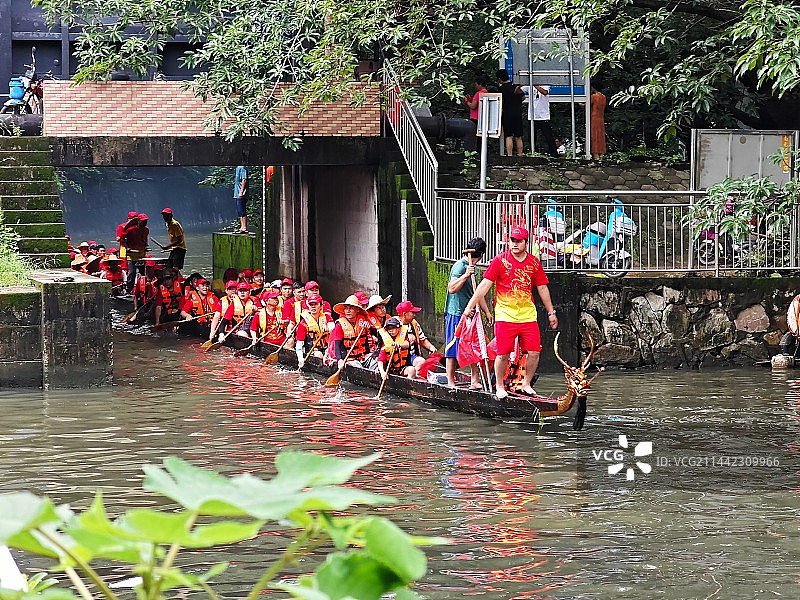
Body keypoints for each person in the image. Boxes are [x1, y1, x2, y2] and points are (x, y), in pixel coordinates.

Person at [463, 226, 558, 399]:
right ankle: (499, 386)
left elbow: (542, 288)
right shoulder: (500, 260)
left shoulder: (534, 263)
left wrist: (551, 312)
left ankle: (526, 384)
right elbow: (485, 285)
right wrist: (470, 306)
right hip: (505, 315)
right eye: (512, 240)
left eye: (518, 241)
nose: (514, 244)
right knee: (503, 354)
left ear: (526, 243)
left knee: (534, 352)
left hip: (528, 315)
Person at [444, 237, 493, 388]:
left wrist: (487, 312)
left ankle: (474, 381)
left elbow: (477, 293)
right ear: (482, 254)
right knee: (453, 348)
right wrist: (465, 275)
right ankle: (450, 382)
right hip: (456, 313)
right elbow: (451, 289)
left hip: (471, 313)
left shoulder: (475, 269)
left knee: (475, 346)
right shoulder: (460, 266)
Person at [329, 294, 371, 369]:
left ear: (357, 310)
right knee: (358, 367)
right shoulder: (339, 325)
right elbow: (337, 345)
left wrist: (369, 327)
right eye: (346, 308)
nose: (348, 311)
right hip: (350, 359)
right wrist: (340, 360)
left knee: (375, 362)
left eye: (351, 308)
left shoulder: (363, 320)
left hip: (364, 356)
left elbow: (375, 334)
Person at [395, 300, 437, 372]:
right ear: (404, 314)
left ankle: (416, 376)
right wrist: (407, 337)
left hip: (412, 357)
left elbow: (422, 339)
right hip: (398, 359)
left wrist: (431, 348)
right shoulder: (392, 324)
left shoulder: (414, 324)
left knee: (421, 362)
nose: (414, 315)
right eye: (412, 313)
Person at [294, 294, 331, 368]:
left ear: (321, 306)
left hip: (326, 348)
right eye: (311, 305)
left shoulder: (326, 317)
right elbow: (299, 344)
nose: (313, 307)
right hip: (312, 350)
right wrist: (300, 358)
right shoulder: (303, 323)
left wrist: (328, 328)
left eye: (316, 304)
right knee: (319, 355)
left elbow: (332, 327)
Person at [523, 83, 558, 157]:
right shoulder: (529, 86)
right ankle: (534, 153)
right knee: (531, 137)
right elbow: (518, 91)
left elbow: (544, 92)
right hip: (532, 116)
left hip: (543, 116)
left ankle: (554, 154)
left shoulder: (545, 84)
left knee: (548, 136)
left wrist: (534, 84)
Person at [497, 69, 524, 157]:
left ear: (500, 79)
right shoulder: (515, 86)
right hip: (518, 113)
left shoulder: (501, 89)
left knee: (508, 136)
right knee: (518, 136)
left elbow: (501, 102)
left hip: (507, 114)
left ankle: (509, 155)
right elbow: (523, 97)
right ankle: (520, 155)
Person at [122, 214, 149, 293]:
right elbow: (122, 239)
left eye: (146, 221)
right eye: (143, 221)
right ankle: (129, 290)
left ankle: (144, 288)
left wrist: (146, 245)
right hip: (132, 255)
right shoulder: (130, 230)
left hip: (141, 255)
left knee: (143, 273)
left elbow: (145, 239)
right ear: (138, 221)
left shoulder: (146, 230)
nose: (145, 223)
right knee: (132, 272)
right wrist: (127, 247)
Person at [590, 86, 607, 161]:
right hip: (601, 118)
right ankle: (601, 155)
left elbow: (586, 105)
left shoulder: (594, 96)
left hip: (594, 118)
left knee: (594, 135)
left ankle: (596, 155)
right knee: (601, 136)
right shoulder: (603, 97)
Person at [234, 165, 249, 234]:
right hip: (237, 193)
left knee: (242, 209)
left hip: (241, 194)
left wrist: (241, 192)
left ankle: (244, 227)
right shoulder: (237, 168)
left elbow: (244, 179)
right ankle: (242, 226)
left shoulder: (242, 167)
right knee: (239, 210)